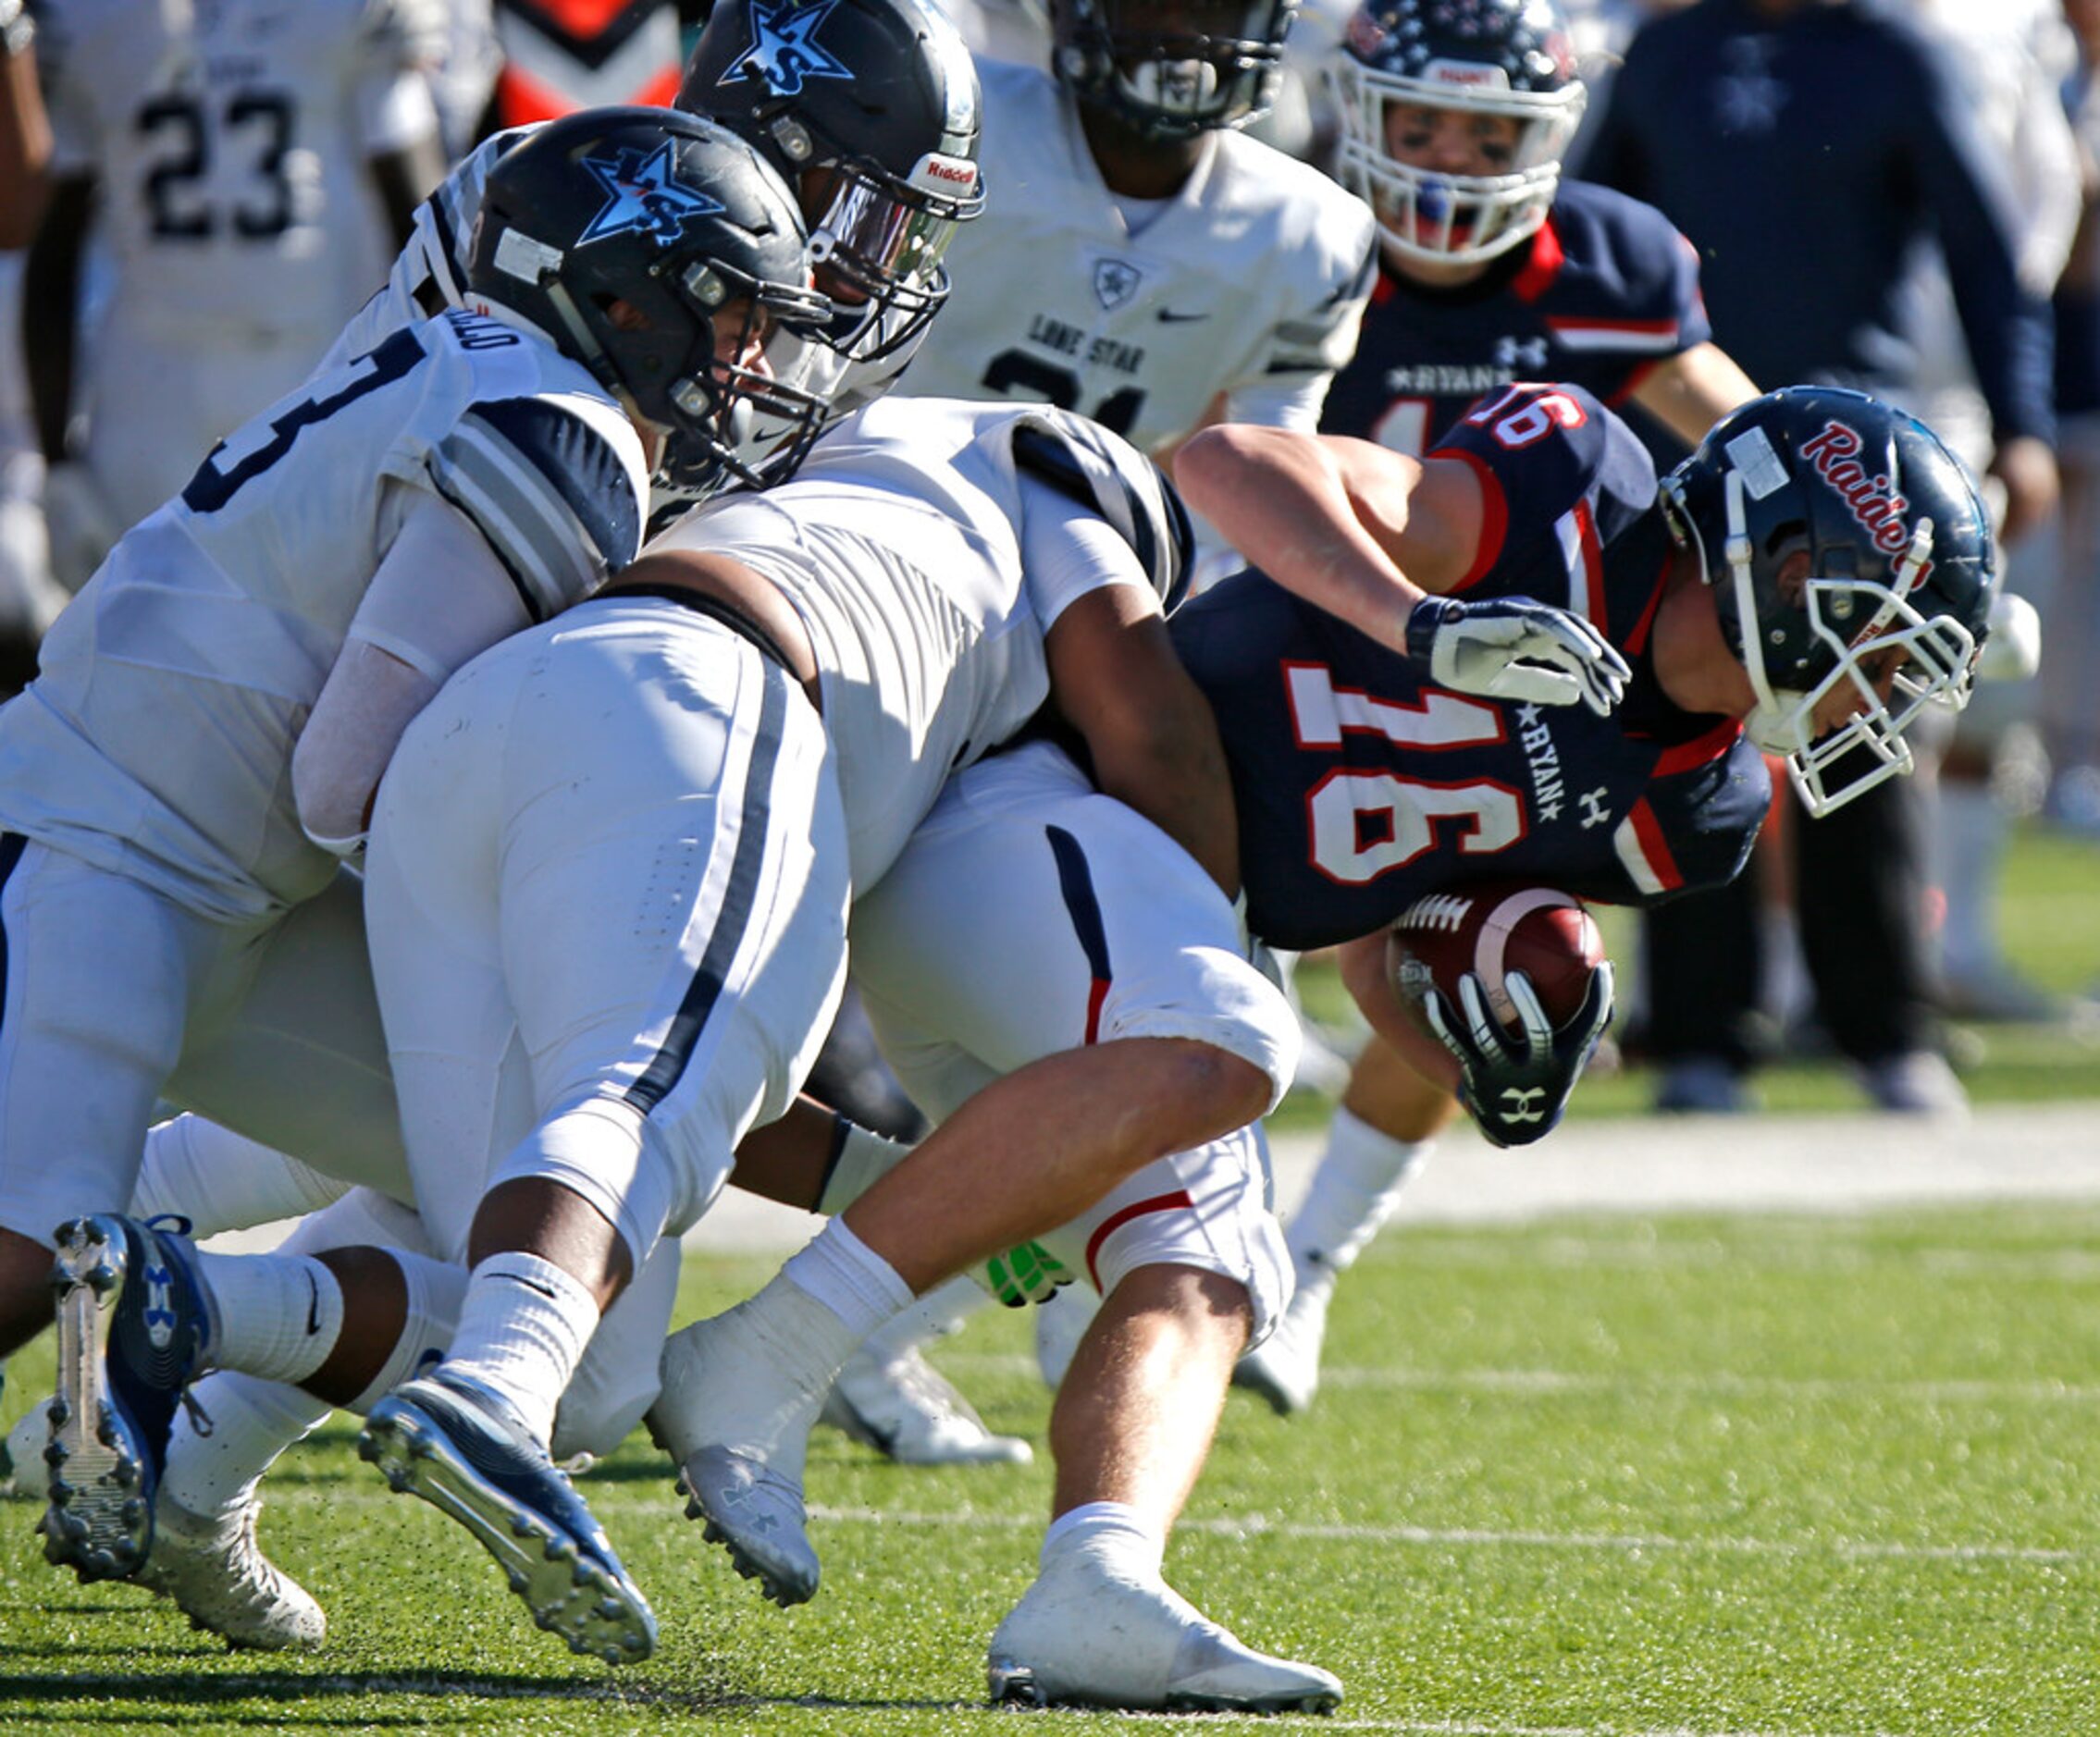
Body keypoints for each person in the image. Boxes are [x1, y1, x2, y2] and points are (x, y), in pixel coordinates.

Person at [639, 378, 1996, 1707]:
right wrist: (1420, 623)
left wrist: (1481, 1054)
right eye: (1875, 642)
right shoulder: (1570, 500)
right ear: (1775, 553)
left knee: (1221, 1261)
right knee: (1226, 1042)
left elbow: (1385, 930)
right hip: (1037, 790)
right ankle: (763, 1350)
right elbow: (1228, 459)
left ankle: (1093, 1581)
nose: (1874, 695)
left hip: (1156, 920)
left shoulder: (1689, 814)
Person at [11, 101, 831, 1584]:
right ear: (619, 293)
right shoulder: (558, 430)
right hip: (100, 851)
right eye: (726, 314)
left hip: (220, 893)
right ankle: (134, 1344)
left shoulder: (476, 367)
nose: (750, 363)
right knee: (17, 1255)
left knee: (533, 1199)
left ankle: (186, 1377)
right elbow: (343, 783)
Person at [1232, 0, 1761, 1416]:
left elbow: (1742, 432)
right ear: (1360, 111)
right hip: (1280, 641)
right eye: (1422, 123)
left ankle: (1314, 1259)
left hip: (1508, 694)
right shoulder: (1288, 237)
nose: (1452, 158)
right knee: (1198, 1014)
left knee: (1497, 961)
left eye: (1488, 131)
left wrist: (1863, 550)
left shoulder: (1608, 262)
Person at [1580, 0, 2057, 1115]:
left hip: (1858, 458)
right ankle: (1698, 1028)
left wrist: (2021, 423)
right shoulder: (1666, 51)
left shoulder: (1896, 52)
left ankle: (1883, 1024)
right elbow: (1584, 245)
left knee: (1867, 723)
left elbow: (1984, 254)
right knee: (1687, 714)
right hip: (1691, 446)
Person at [22, 0, 452, 591]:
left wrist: (57, 460)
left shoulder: (90, 17)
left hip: (155, 390)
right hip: (301, 374)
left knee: (145, 632)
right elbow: (432, 223)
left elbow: (51, 256)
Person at [889, 0, 1377, 458]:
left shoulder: (1311, 234)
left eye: (1218, 12)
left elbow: (1269, 454)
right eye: (1153, 6)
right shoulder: (960, 120)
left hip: (1100, 520)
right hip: (880, 476)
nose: (1187, 39)